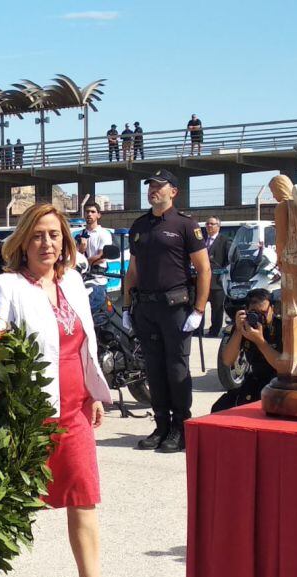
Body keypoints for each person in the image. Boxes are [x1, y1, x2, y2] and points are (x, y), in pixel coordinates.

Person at [0, 203, 111, 577]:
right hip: (27, 414)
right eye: (38, 235)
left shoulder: (73, 281)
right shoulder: (6, 287)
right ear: (22, 241)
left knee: (84, 498)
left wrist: (93, 394)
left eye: (54, 235)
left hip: (75, 409)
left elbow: (85, 342)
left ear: (65, 241)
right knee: (9, 503)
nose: (47, 243)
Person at [122, 169, 211, 453]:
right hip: (146, 307)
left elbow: (204, 269)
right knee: (154, 369)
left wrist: (198, 309)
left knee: (176, 369)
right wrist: (126, 305)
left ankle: (180, 428)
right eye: (151, 186)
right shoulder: (139, 226)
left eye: (159, 186)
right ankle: (161, 425)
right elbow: (133, 270)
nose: (153, 190)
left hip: (176, 307)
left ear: (173, 191)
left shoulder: (186, 225)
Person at [211, 288, 282, 412]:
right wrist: (238, 331)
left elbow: (281, 366)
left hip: (279, 382)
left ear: (272, 308)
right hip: (255, 378)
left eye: (263, 313)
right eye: (254, 313)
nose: (259, 318)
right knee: (219, 408)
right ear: (247, 310)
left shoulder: (281, 327)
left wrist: (260, 341)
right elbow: (227, 360)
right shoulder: (244, 326)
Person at [203, 217, 230, 337]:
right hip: (201, 280)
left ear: (218, 226)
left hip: (217, 281)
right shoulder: (201, 239)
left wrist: (222, 272)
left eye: (212, 224)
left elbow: (231, 260)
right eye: (207, 224)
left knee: (217, 308)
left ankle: (214, 331)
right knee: (199, 306)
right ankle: (197, 330)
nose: (209, 226)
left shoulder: (225, 241)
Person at [80, 201, 110, 271]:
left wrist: (82, 263)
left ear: (98, 215)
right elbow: (73, 255)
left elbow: (101, 257)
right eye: (87, 212)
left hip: (98, 278)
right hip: (82, 275)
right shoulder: (79, 234)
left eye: (93, 212)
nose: (89, 214)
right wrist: (81, 250)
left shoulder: (104, 234)